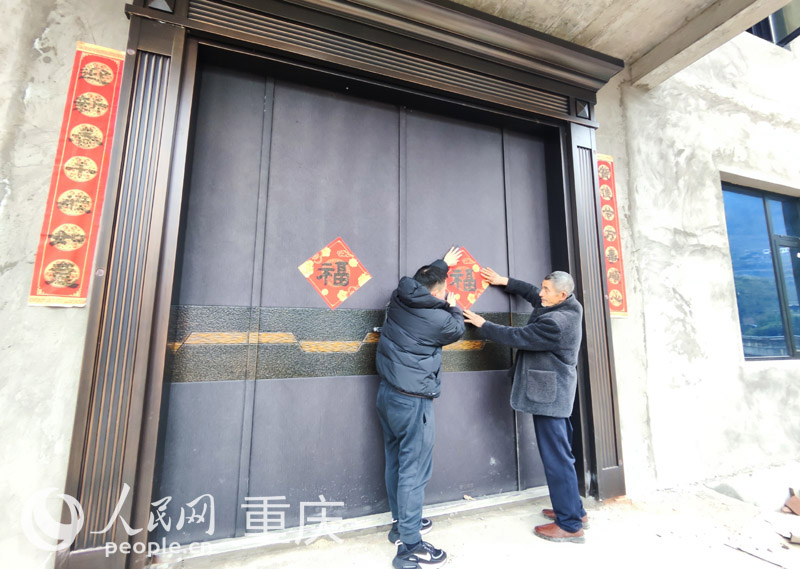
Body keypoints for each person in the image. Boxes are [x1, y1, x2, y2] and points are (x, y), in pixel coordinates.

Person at [463, 268, 588, 544]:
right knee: (562, 455)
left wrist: (483, 324)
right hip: (556, 393)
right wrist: (505, 282)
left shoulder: (556, 322)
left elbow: (517, 336)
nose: (540, 293)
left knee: (556, 459)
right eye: (543, 287)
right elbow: (533, 294)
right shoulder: (569, 304)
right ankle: (575, 511)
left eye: (546, 290)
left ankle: (570, 525)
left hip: (549, 397)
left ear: (561, 295)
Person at [376, 246, 465, 569]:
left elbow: (422, 281)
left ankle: (401, 525)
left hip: (388, 394)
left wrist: (442, 265)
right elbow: (456, 328)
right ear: (438, 293)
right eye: (444, 289)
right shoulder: (439, 318)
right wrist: (454, 306)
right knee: (414, 471)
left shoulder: (399, 297)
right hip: (413, 401)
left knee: (396, 461)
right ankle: (410, 546)